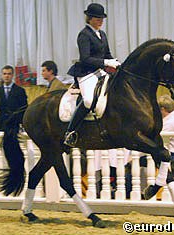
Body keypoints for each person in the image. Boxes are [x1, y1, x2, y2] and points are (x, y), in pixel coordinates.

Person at [64, 3, 121, 147]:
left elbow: (107, 54)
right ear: (89, 18)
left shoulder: (102, 34)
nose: (100, 20)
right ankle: (70, 132)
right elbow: (85, 58)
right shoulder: (84, 34)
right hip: (86, 72)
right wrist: (105, 62)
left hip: (100, 70)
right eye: (97, 18)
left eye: (102, 18)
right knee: (89, 100)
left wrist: (115, 62)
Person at [0, 65, 28, 131]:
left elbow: (23, 108)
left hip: (15, 123)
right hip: (1, 123)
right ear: (2, 75)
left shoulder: (20, 90)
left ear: (12, 75)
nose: (7, 76)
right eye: (4, 74)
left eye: (9, 74)